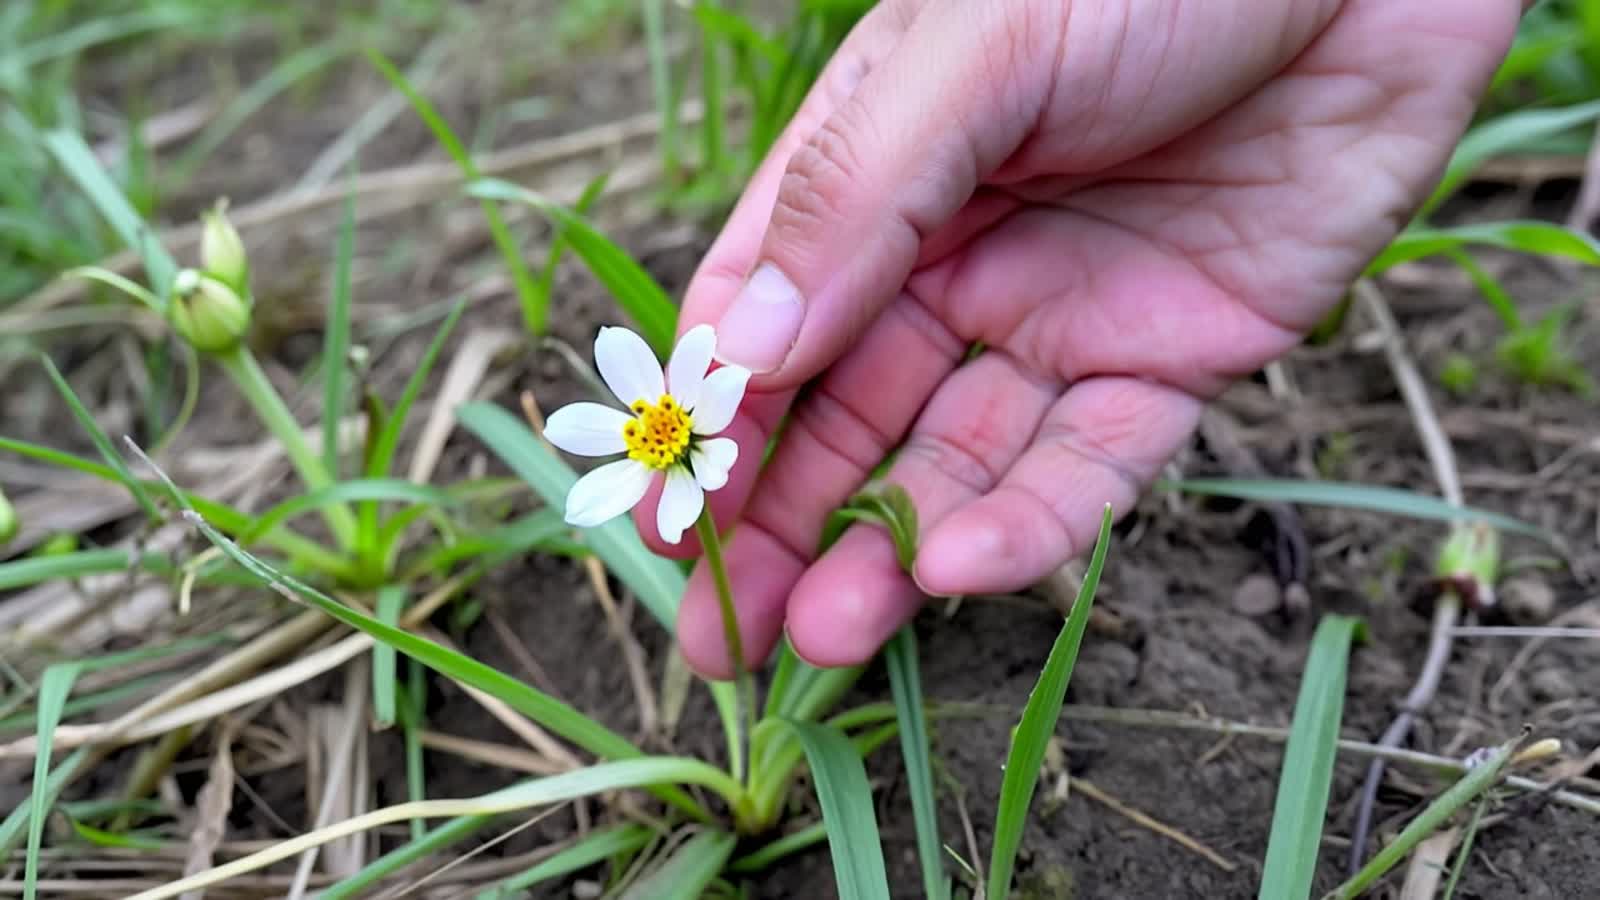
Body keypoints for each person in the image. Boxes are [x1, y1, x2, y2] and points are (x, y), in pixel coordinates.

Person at [629, 0, 1529, 680]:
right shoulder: (665, 445)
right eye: (654, 432)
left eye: (659, 427)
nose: (659, 430)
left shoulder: (689, 422)